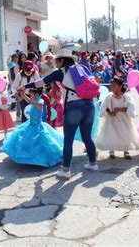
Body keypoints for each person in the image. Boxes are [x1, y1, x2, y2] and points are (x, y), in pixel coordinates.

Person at [20, 49, 97, 179]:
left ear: (62, 61)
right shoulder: (83, 68)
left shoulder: (61, 72)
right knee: (87, 137)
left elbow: (40, 82)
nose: (55, 63)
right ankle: (93, 163)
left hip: (74, 107)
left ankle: (66, 170)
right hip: (90, 105)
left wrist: (25, 86)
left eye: (57, 61)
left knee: (68, 140)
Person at [0, 88, 63, 167]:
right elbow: (29, 101)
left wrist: (23, 95)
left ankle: (40, 159)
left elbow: (30, 101)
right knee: (26, 140)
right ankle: (28, 159)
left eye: (31, 94)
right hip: (31, 124)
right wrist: (23, 95)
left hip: (37, 125)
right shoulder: (36, 101)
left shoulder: (40, 102)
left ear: (36, 95)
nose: (30, 96)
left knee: (40, 143)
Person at [96, 77, 139, 159]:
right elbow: (104, 106)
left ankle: (126, 151)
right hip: (112, 119)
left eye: (114, 86)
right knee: (111, 134)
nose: (112, 88)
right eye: (111, 86)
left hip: (123, 119)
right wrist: (109, 112)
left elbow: (131, 107)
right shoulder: (109, 96)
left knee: (125, 134)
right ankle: (111, 150)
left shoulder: (126, 97)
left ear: (120, 86)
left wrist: (120, 109)